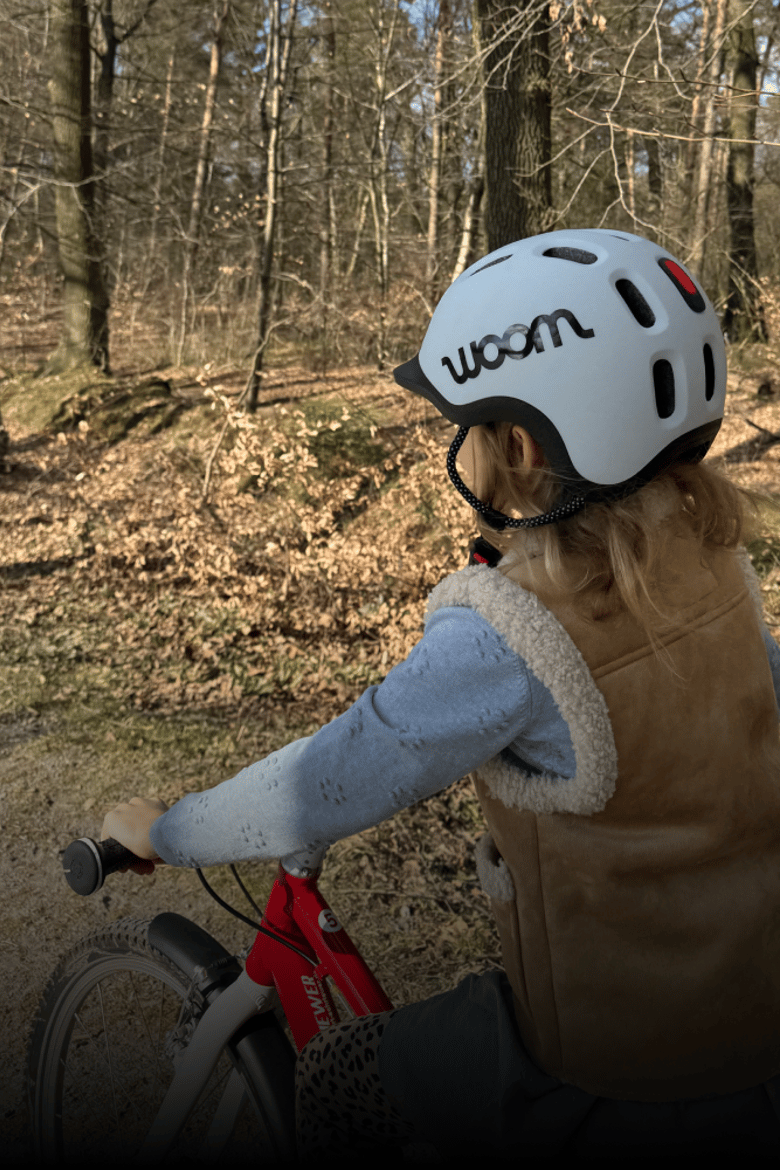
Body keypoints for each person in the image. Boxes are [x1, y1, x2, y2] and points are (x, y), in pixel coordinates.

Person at [103, 229, 780, 1158]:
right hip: (755, 1003)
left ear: (517, 445)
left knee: (336, 1077)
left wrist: (169, 828)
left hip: (617, 1064)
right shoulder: (712, 563)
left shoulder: (515, 632)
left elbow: (334, 778)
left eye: (460, 427)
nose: (456, 449)